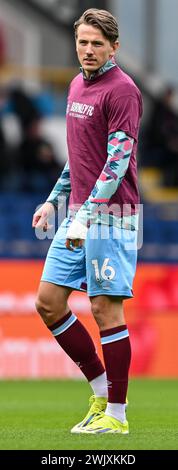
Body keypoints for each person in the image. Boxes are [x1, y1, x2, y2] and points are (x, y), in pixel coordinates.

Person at [32, 8, 143, 434]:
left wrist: (85, 218)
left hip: (112, 216)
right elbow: (78, 159)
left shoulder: (123, 91)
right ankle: (99, 391)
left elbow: (116, 162)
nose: (89, 50)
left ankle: (117, 416)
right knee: (48, 301)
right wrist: (53, 201)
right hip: (78, 211)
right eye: (83, 42)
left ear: (114, 47)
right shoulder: (77, 84)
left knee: (104, 309)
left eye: (98, 43)